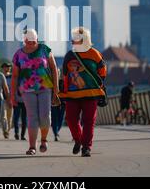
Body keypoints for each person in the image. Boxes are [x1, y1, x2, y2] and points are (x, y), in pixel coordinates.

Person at [9, 29, 59, 155]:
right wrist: (12, 95)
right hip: (27, 89)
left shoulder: (45, 49)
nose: (31, 44)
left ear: (37, 39)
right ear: (24, 41)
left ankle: (43, 139)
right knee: (32, 117)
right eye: (28, 42)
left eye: (33, 41)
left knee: (45, 116)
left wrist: (56, 89)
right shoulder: (18, 54)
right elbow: (14, 76)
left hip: (45, 87)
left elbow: (53, 69)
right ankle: (32, 147)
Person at [60, 27, 107, 157]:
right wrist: (62, 92)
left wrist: (98, 85)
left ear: (84, 40)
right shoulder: (70, 55)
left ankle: (86, 147)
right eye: (73, 39)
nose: (73, 41)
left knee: (89, 121)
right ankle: (78, 140)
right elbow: (64, 74)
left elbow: (102, 71)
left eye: (76, 39)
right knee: (70, 119)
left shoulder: (95, 54)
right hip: (72, 95)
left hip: (91, 94)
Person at [5, 62, 27, 141]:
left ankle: (22, 135)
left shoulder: (26, 78)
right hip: (16, 100)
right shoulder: (13, 78)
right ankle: (16, 133)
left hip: (25, 101)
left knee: (24, 119)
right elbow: (11, 89)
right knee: (16, 117)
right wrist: (12, 98)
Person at [51, 69, 66, 141]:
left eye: (58, 73)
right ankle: (56, 133)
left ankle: (56, 132)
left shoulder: (64, 82)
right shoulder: (51, 82)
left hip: (63, 102)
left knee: (60, 118)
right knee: (55, 119)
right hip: (54, 101)